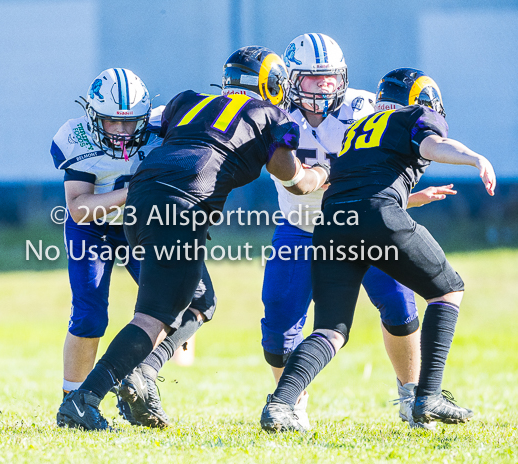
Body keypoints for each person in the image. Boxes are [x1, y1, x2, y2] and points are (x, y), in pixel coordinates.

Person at [56, 45, 330, 431]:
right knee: (153, 316)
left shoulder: (186, 100)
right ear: (272, 86)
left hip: (141, 200)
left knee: (200, 301)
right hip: (181, 208)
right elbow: (293, 180)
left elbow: (167, 139)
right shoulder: (273, 115)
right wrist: (319, 172)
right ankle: (85, 399)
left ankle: (144, 373)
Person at [260, 67, 496, 432]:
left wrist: (407, 197)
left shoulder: (357, 128)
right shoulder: (412, 115)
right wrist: (474, 158)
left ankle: (280, 403)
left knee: (332, 330)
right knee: (449, 289)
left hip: (332, 222)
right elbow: (432, 145)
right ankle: (426, 395)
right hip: (375, 218)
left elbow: (351, 177)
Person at [50, 68, 216, 428]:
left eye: (131, 122)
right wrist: (136, 190)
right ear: (94, 117)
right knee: (90, 315)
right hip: (92, 229)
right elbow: (78, 208)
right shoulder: (75, 136)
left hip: (141, 226)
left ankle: (137, 381)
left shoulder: (161, 125)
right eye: (113, 122)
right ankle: (74, 400)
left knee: (182, 303)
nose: (124, 131)